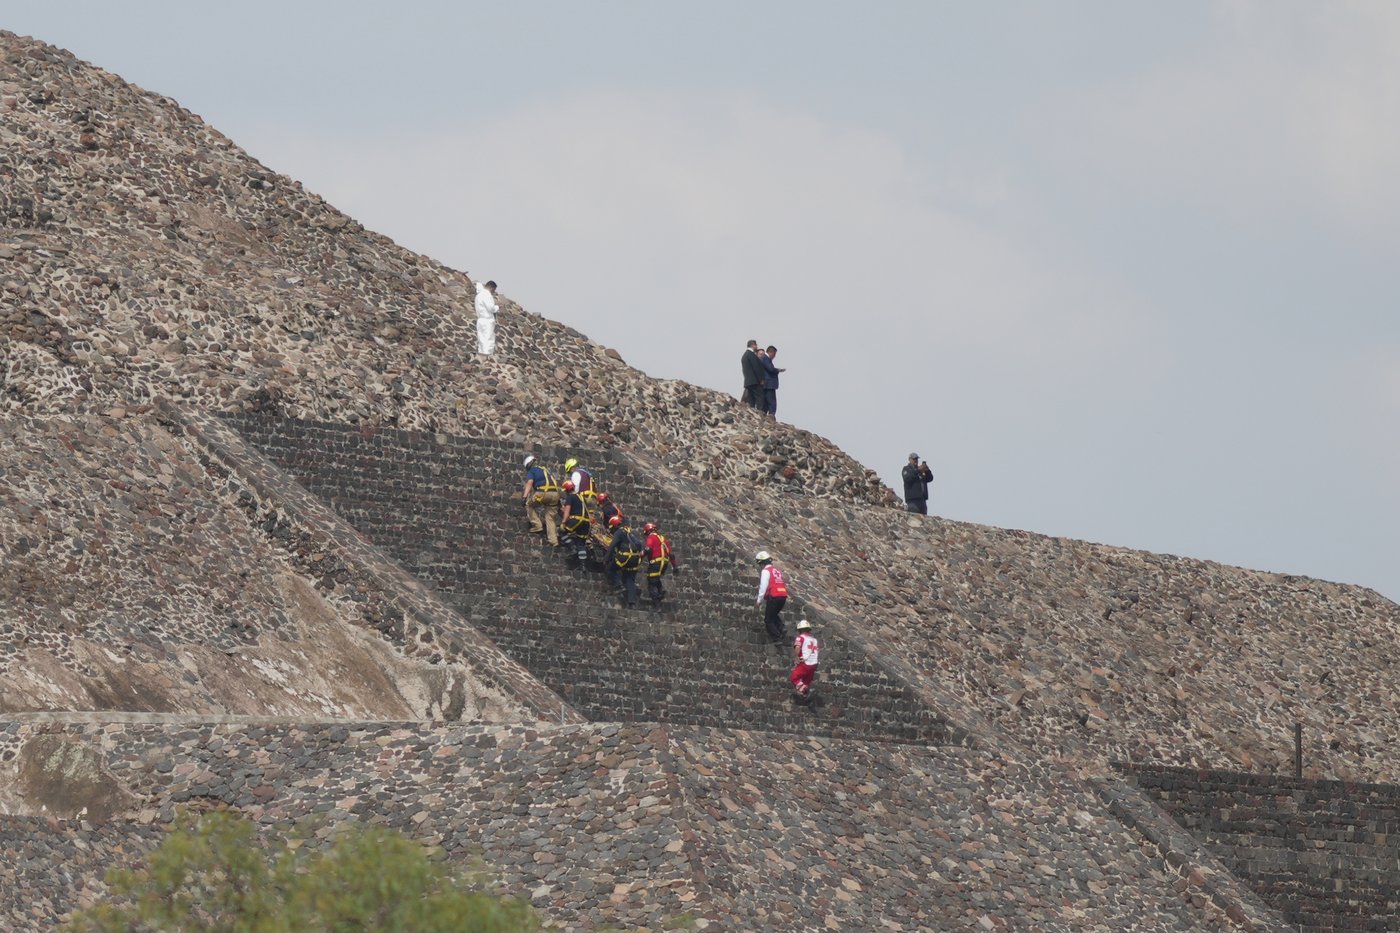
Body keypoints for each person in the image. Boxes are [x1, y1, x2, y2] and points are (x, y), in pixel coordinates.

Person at [604, 515, 643, 609]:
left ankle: (619, 586)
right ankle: (632, 603)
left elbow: (612, 545)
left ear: (615, 525)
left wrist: (606, 559)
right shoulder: (633, 531)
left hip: (624, 557)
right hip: (635, 559)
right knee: (630, 580)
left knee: (611, 569)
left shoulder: (619, 532)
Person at [521, 454, 560, 546]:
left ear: (528, 466)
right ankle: (554, 541)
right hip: (555, 494)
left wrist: (524, 497)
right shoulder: (545, 470)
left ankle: (537, 525)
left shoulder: (532, 471)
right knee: (550, 517)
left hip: (543, 493)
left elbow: (529, 483)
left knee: (528, 505)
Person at [642, 522, 679, 611]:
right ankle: (661, 591)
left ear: (648, 531)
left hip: (655, 563)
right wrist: (675, 566)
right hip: (664, 564)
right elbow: (671, 554)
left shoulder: (651, 537)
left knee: (651, 584)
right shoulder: (663, 539)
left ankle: (657, 604)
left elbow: (648, 549)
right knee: (656, 579)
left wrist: (640, 556)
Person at [754, 550, 789, 642]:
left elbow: (763, 586)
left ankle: (777, 638)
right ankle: (782, 628)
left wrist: (759, 600)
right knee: (773, 614)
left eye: (760, 564)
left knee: (768, 620)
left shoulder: (766, 571)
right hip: (783, 596)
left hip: (774, 596)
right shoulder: (776, 570)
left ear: (762, 563)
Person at [559, 480, 590, 562]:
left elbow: (567, 511)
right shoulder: (582, 498)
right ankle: (582, 565)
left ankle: (572, 547)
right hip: (586, 522)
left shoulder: (570, 497)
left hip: (576, 520)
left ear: (567, 490)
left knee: (561, 532)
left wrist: (563, 522)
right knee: (581, 543)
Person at [790, 619, 820, 698]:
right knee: (806, 681)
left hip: (805, 663)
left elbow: (797, 647)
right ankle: (805, 695)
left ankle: (803, 690)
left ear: (800, 630)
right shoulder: (814, 640)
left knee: (794, 678)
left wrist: (796, 657)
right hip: (814, 664)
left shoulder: (801, 638)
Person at [758, 345, 785, 417]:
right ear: (771, 352)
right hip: (769, 384)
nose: (774, 356)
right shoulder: (766, 358)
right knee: (771, 401)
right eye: (774, 354)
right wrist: (778, 370)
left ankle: (764, 415)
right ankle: (771, 415)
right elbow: (770, 369)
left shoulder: (764, 358)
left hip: (766, 384)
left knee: (766, 402)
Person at [475, 280, 499, 354]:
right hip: (487, 320)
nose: (493, 292)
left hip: (480, 320)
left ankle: (481, 354)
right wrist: (497, 307)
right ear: (491, 288)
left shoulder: (478, 295)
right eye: (494, 290)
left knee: (481, 339)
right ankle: (487, 355)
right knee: (488, 339)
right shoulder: (486, 295)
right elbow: (490, 308)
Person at [740, 339, 765, 409]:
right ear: (753, 345)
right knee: (760, 397)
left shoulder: (744, 355)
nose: (757, 346)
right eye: (756, 345)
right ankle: (760, 412)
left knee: (751, 399)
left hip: (748, 382)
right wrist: (761, 379)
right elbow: (756, 368)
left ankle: (752, 410)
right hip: (754, 381)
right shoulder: (751, 355)